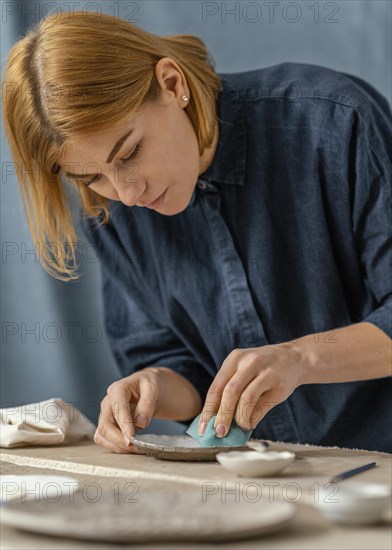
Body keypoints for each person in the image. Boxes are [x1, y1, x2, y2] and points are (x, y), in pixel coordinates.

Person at [2, 11, 391, 455]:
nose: (127, 194)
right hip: (248, 484)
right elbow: (179, 365)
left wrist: (300, 359)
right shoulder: (109, 210)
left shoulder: (336, 123)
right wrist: (151, 385)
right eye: (91, 177)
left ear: (172, 83)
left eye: (129, 152)